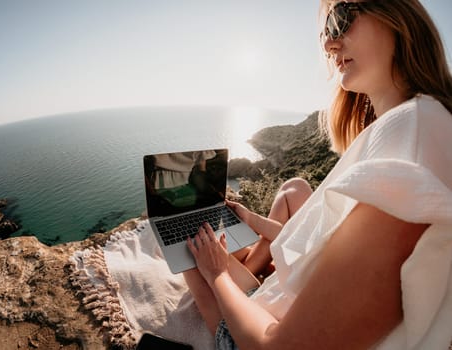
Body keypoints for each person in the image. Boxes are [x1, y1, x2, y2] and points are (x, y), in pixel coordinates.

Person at [183, 0, 452, 349]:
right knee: (206, 244)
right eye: (327, 31)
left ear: (397, 15)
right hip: (281, 301)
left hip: (259, 329)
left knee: (188, 256)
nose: (329, 44)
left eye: (342, 19)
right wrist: (249, 223)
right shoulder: (421, 122)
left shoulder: (412, 133)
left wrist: (216, 273)